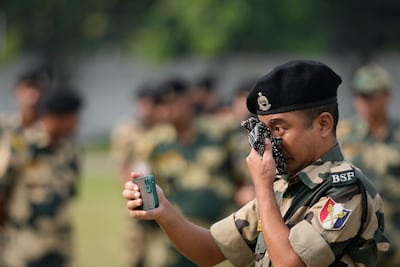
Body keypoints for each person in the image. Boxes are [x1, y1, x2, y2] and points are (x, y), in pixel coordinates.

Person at [123, 60, 389, 266]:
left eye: (279, 128)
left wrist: (262, 185)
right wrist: (164, 211)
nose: (269, 142)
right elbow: (209, 251)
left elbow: (291, 263)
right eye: (264, 131)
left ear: (322, 124)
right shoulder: (285, 187)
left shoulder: (346, 189)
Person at [0, 88, 84, 267]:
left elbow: (70, 193)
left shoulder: (71, 150)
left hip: (59, 247)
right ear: (55, 117)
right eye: (73, 117)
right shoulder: (21, 145)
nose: (77, 123)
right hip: (23, 248)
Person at [337, 62, 400, 266]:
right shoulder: (342, 136)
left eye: (371, 95)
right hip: (355, 241)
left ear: (386, 95)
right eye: (361, 95)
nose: (366, 101)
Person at [110, 81, 175, 267]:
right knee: (135, 254)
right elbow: (122, 165)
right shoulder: (126, 130)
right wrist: (131, 192)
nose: (145, 109)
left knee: (168, 254)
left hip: (166, 197)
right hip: (139, 198)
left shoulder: (166, 130)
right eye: (142, 103)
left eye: (150, 104)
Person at [0, 64, 53, 132]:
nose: (34, 93)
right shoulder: (4, 126)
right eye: (29, 87)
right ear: (17, 90)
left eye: (39, 88)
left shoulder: (50, 130)